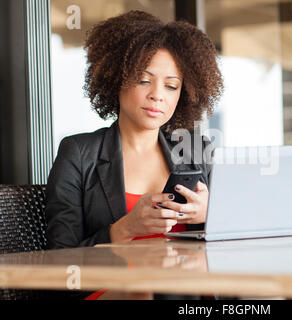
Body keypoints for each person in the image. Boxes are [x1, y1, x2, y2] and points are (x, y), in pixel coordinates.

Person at [45, 10, 223, 296]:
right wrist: (123, 230)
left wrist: (213, 214)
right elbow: (59, 262)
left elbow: (235, 248)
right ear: (117, 78)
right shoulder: (78, 153)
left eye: (171, 85)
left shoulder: (196, 151)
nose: (157, 95)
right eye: (143, 80)